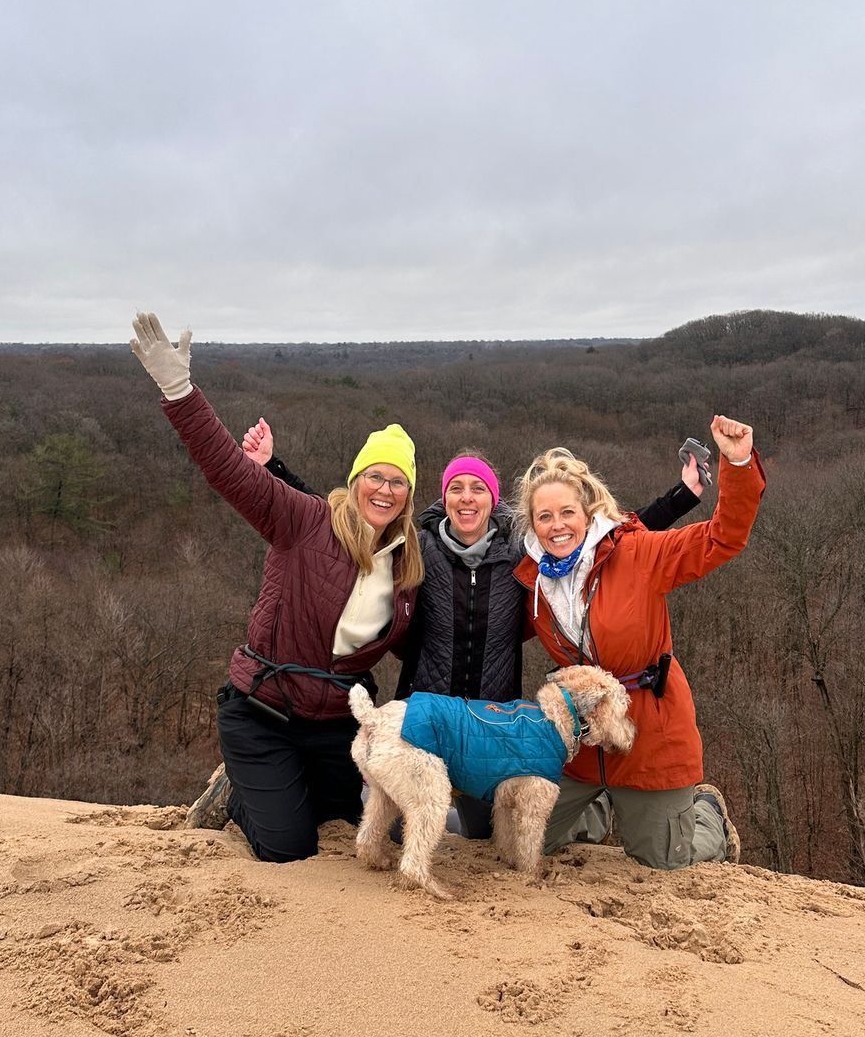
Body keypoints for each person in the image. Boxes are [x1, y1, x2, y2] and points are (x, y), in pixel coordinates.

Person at [190, 418, 706, 841]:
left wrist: (682, 496)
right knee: (398, 827)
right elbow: (339, 522)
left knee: (484, 835)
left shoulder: (523, 562)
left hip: (490, 726)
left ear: (492, 499)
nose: (466, 497)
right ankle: (253, 790)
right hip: (426, 717)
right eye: (455, 487)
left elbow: (605, 542)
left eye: (477, 488)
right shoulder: (415, 551)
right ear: (442, 496)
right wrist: (273, 470)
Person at [129, 313, 424, 862]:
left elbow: (432, 641)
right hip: (265, 711)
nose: (384, 490)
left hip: (337, 725)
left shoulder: (406, 567)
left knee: (341, 819)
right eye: (375, 477)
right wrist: (179, 391)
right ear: (355, 481)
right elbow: (227, 471)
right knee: (289, 848)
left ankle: (279, 794)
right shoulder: (305, 521)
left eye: (398, 482)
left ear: (408, 496)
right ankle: (242, 796)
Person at [512, 416, 764, 868]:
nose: (557, 526)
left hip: (651, 737)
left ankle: (707, 819)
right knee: (521, 840)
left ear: (588, 513)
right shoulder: (533, 583)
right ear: (532, 524)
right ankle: (595, 806)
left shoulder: (637, 554)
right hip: (582, 748)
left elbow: (722, 537)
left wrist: (738, 463)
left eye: (567, 512)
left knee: (665, 862)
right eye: (544, 516)